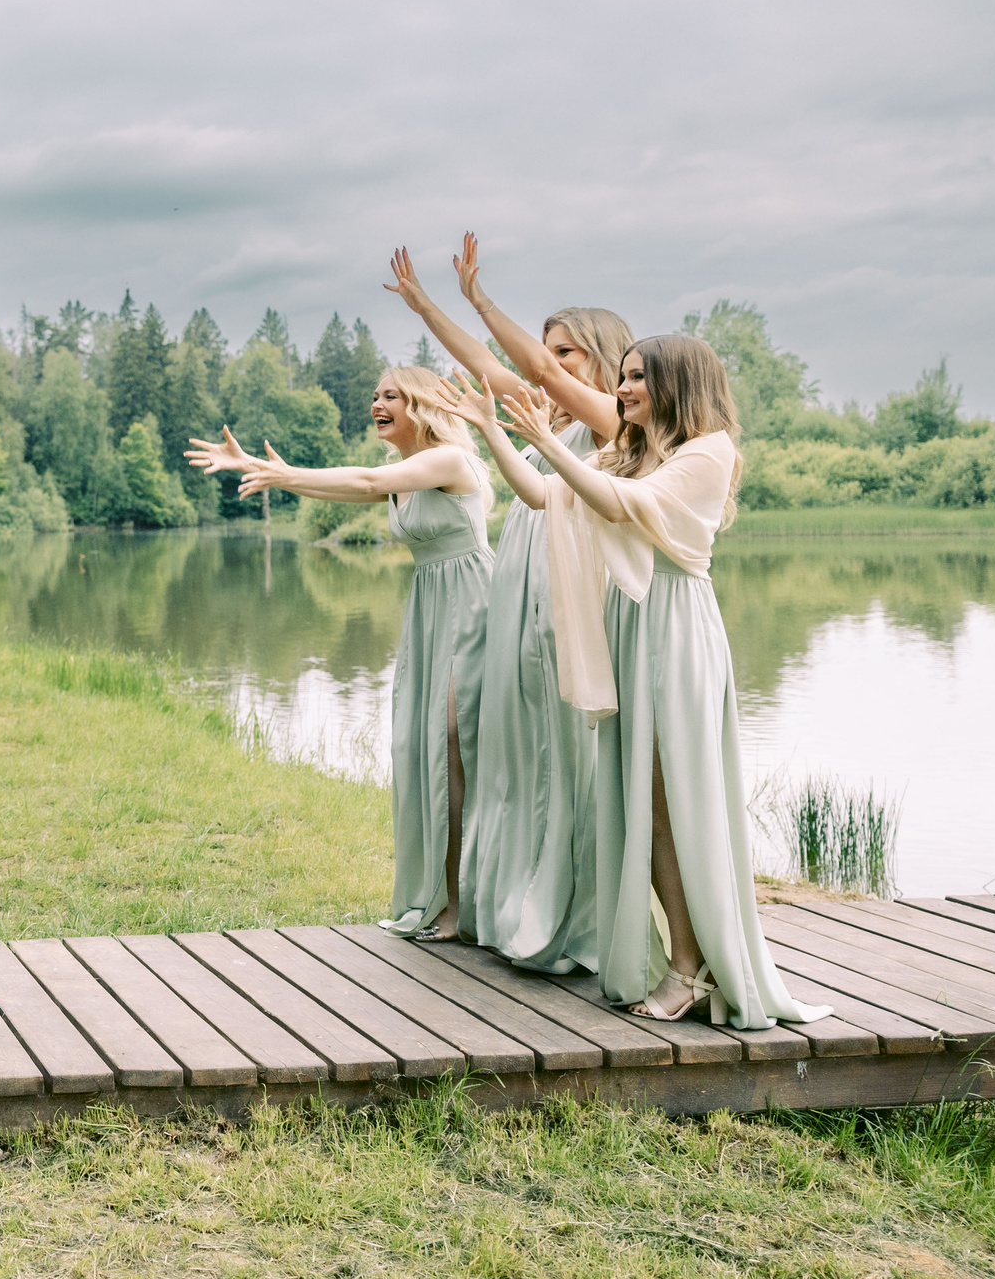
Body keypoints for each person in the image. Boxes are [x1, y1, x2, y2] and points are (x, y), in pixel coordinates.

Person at [499, 339, 831, 1027]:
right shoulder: (628, 451)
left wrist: (547, 439)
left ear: (676, 382)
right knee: (638, 799)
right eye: (620, 377)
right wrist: (492, 430)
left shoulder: (709, 452)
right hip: (630, 623)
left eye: (635, 378)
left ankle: (693, 966)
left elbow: (622, 507)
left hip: (676, 627)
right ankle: (688, 960)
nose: (622, 390)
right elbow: (541, 493)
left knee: (673, 800)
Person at [386, 243, 632, 973]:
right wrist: (431, 306)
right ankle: (503, 903)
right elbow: (501, 376)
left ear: (603, 360)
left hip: (567, 598)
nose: (544, 363)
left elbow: (529, 371)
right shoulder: (543, 420)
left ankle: (570, 919)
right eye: (546, 347)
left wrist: (481, 301)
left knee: (563, 757)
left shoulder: (615, 424)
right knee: (509, 755)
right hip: (516, 590)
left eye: (564, 353)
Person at [188, 369, 493, 940]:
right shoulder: (404, 472)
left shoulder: (449, 460)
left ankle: (469, 906)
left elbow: (364, 481)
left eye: (390, 395)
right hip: (431, 605)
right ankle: (446, 900)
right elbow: (353, 485)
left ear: (422, 405)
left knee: (457, 747)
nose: (376, 403)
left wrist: (276, 471)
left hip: (474, 608)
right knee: (423, 749)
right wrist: (268, 473)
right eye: (374, 393)